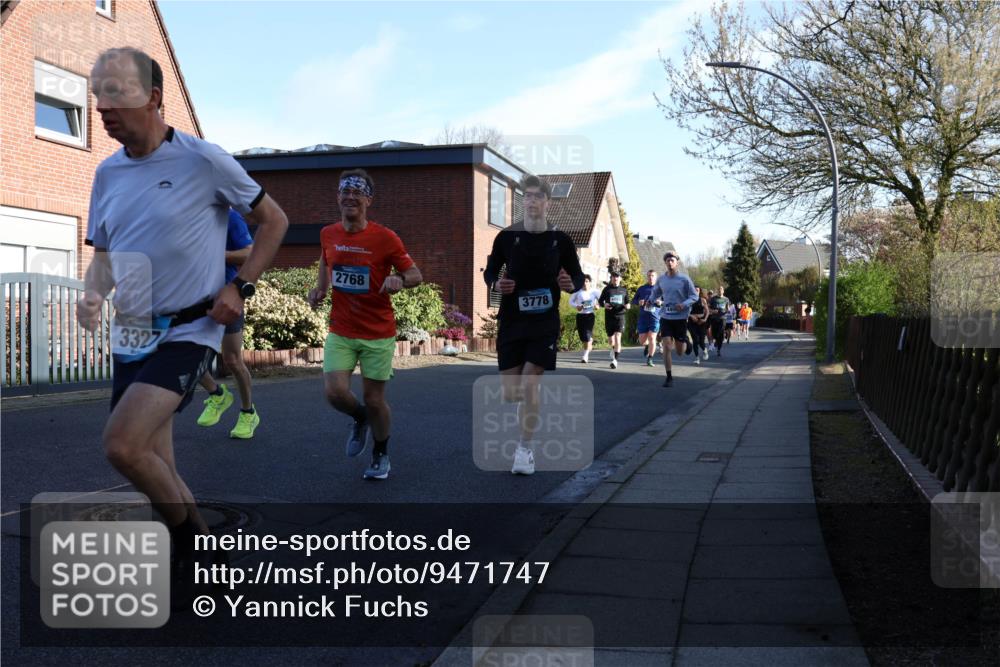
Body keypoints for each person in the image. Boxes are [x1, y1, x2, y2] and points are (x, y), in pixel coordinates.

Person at [76, 48, 288, 577]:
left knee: (123, 446)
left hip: (192, 328)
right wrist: (93, 293)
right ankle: (204, 556)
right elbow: (104, 255)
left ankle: (190, 544)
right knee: (158, 462)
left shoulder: (203, 160)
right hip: (133, 330)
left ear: (152, 97)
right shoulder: (106, 173)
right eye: (98, 94)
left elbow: (275, 220)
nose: (102, 106)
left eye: (115, 93)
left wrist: (240, 286)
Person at [307, 169, 422, 481]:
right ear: (338, 197)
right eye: (345, 192)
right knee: (334, 393)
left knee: (374, 399)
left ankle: (381, 453)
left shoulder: (385, 238)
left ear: (368, 200)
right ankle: (360, 418)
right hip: (341, 329)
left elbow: (416, 275)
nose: (350, 197)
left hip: (377, 333)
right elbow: (325, 260)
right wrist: (320, 289)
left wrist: (399, 279)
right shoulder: (328, 233)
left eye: (357, 193)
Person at [483, 175, 584, 475]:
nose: (531, 201)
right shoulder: (506, 237)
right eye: (527, 196)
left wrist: (570, 284)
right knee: (513, 392)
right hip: (512, 321)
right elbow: (490, 271)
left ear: (547, 202)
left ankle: (524, 451)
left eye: (538, 196)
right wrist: (497, 284)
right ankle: (526, 409)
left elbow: (577, 276)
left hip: (544, 321)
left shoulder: (560, 239)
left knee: (529, 385)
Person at [195, 209, 259, 438]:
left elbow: (249, 253)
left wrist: (217, 255)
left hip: (227, 297)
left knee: (232, 359)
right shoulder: (185, 216)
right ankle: (217, 394)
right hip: (194, 299)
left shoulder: (230, 217)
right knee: (188, 358)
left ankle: (248, 413)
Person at [650, 251, 698, 387]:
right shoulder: (661, 279)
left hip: (680, 318)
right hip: (666, 316)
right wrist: (649, 300)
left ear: (677, 263)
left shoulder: (684, 279)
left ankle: (686, 342)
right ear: (665, 263)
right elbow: (655, 293)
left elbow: (694, 296)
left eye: (672, 260)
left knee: (680, 352)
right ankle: (669, 377)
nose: (670, 263)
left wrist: (684, 304)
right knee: (666, 345)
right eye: (668, 260)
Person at [598, 271, 630, 368]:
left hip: (620, 317)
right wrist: (604, 305)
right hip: (609, 317)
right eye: (613, 277)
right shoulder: (607, 289)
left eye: (617, 277)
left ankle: (615, 360)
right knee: (611, 341)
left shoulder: (624, 290)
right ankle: (613, 348)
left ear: (620, 278)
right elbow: (600, 301)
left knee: (617, 337)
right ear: (611, 278)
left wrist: (628, 306)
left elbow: (628, 302)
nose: (615, 278)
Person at [631, 270, 661, 366]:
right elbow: (633, 301)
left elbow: (667, 302)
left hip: (655, 318)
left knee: (652, 337)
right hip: (643, 318)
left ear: (656, 277)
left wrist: (661, 302)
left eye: (652, 275)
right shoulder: (642, 289)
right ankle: (647, 346)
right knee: (642, 341)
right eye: (649, 276)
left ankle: (650, 358)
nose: (650, 277)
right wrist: (638, 302)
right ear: (647, 277)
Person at [569, 274, 600, 363]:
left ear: (590, 282)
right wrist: (577, 306)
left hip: (590, 315)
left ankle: (585, 355)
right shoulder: (578, 291)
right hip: (580, 315)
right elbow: (570, 301)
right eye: (583, 281)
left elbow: (602, 301)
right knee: (583, 337)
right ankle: (590, 340)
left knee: (586, 335)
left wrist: (598, 306)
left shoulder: (595, 291)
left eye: (586, 281)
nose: (585, 283)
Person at [708, 286, 732, 357]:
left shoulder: (726, 299)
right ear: (717, 291)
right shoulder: (713, 299)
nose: (720, 290)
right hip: (714, 318)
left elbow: (727, 308)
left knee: (721, 333)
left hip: (722, 318)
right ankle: (716, 341)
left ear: (723, 291)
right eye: (719, 289)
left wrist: (728, 310)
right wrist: (713, 311)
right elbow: (708, 308)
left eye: (721, 289)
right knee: (714, 333)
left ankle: (719, 349)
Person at [688, 287, 709, 365]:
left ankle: (704, 350)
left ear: (699, 292)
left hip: (701, 322)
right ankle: (697, 358)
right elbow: (685, 311)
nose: (696, 291)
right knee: (695, 340)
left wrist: (705, 319)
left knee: (701, 341)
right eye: (694, 290)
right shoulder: (689, 300)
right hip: (692, 322)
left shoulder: (702, 300)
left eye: (697, 290)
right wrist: (691, 316)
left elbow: (707, 311)